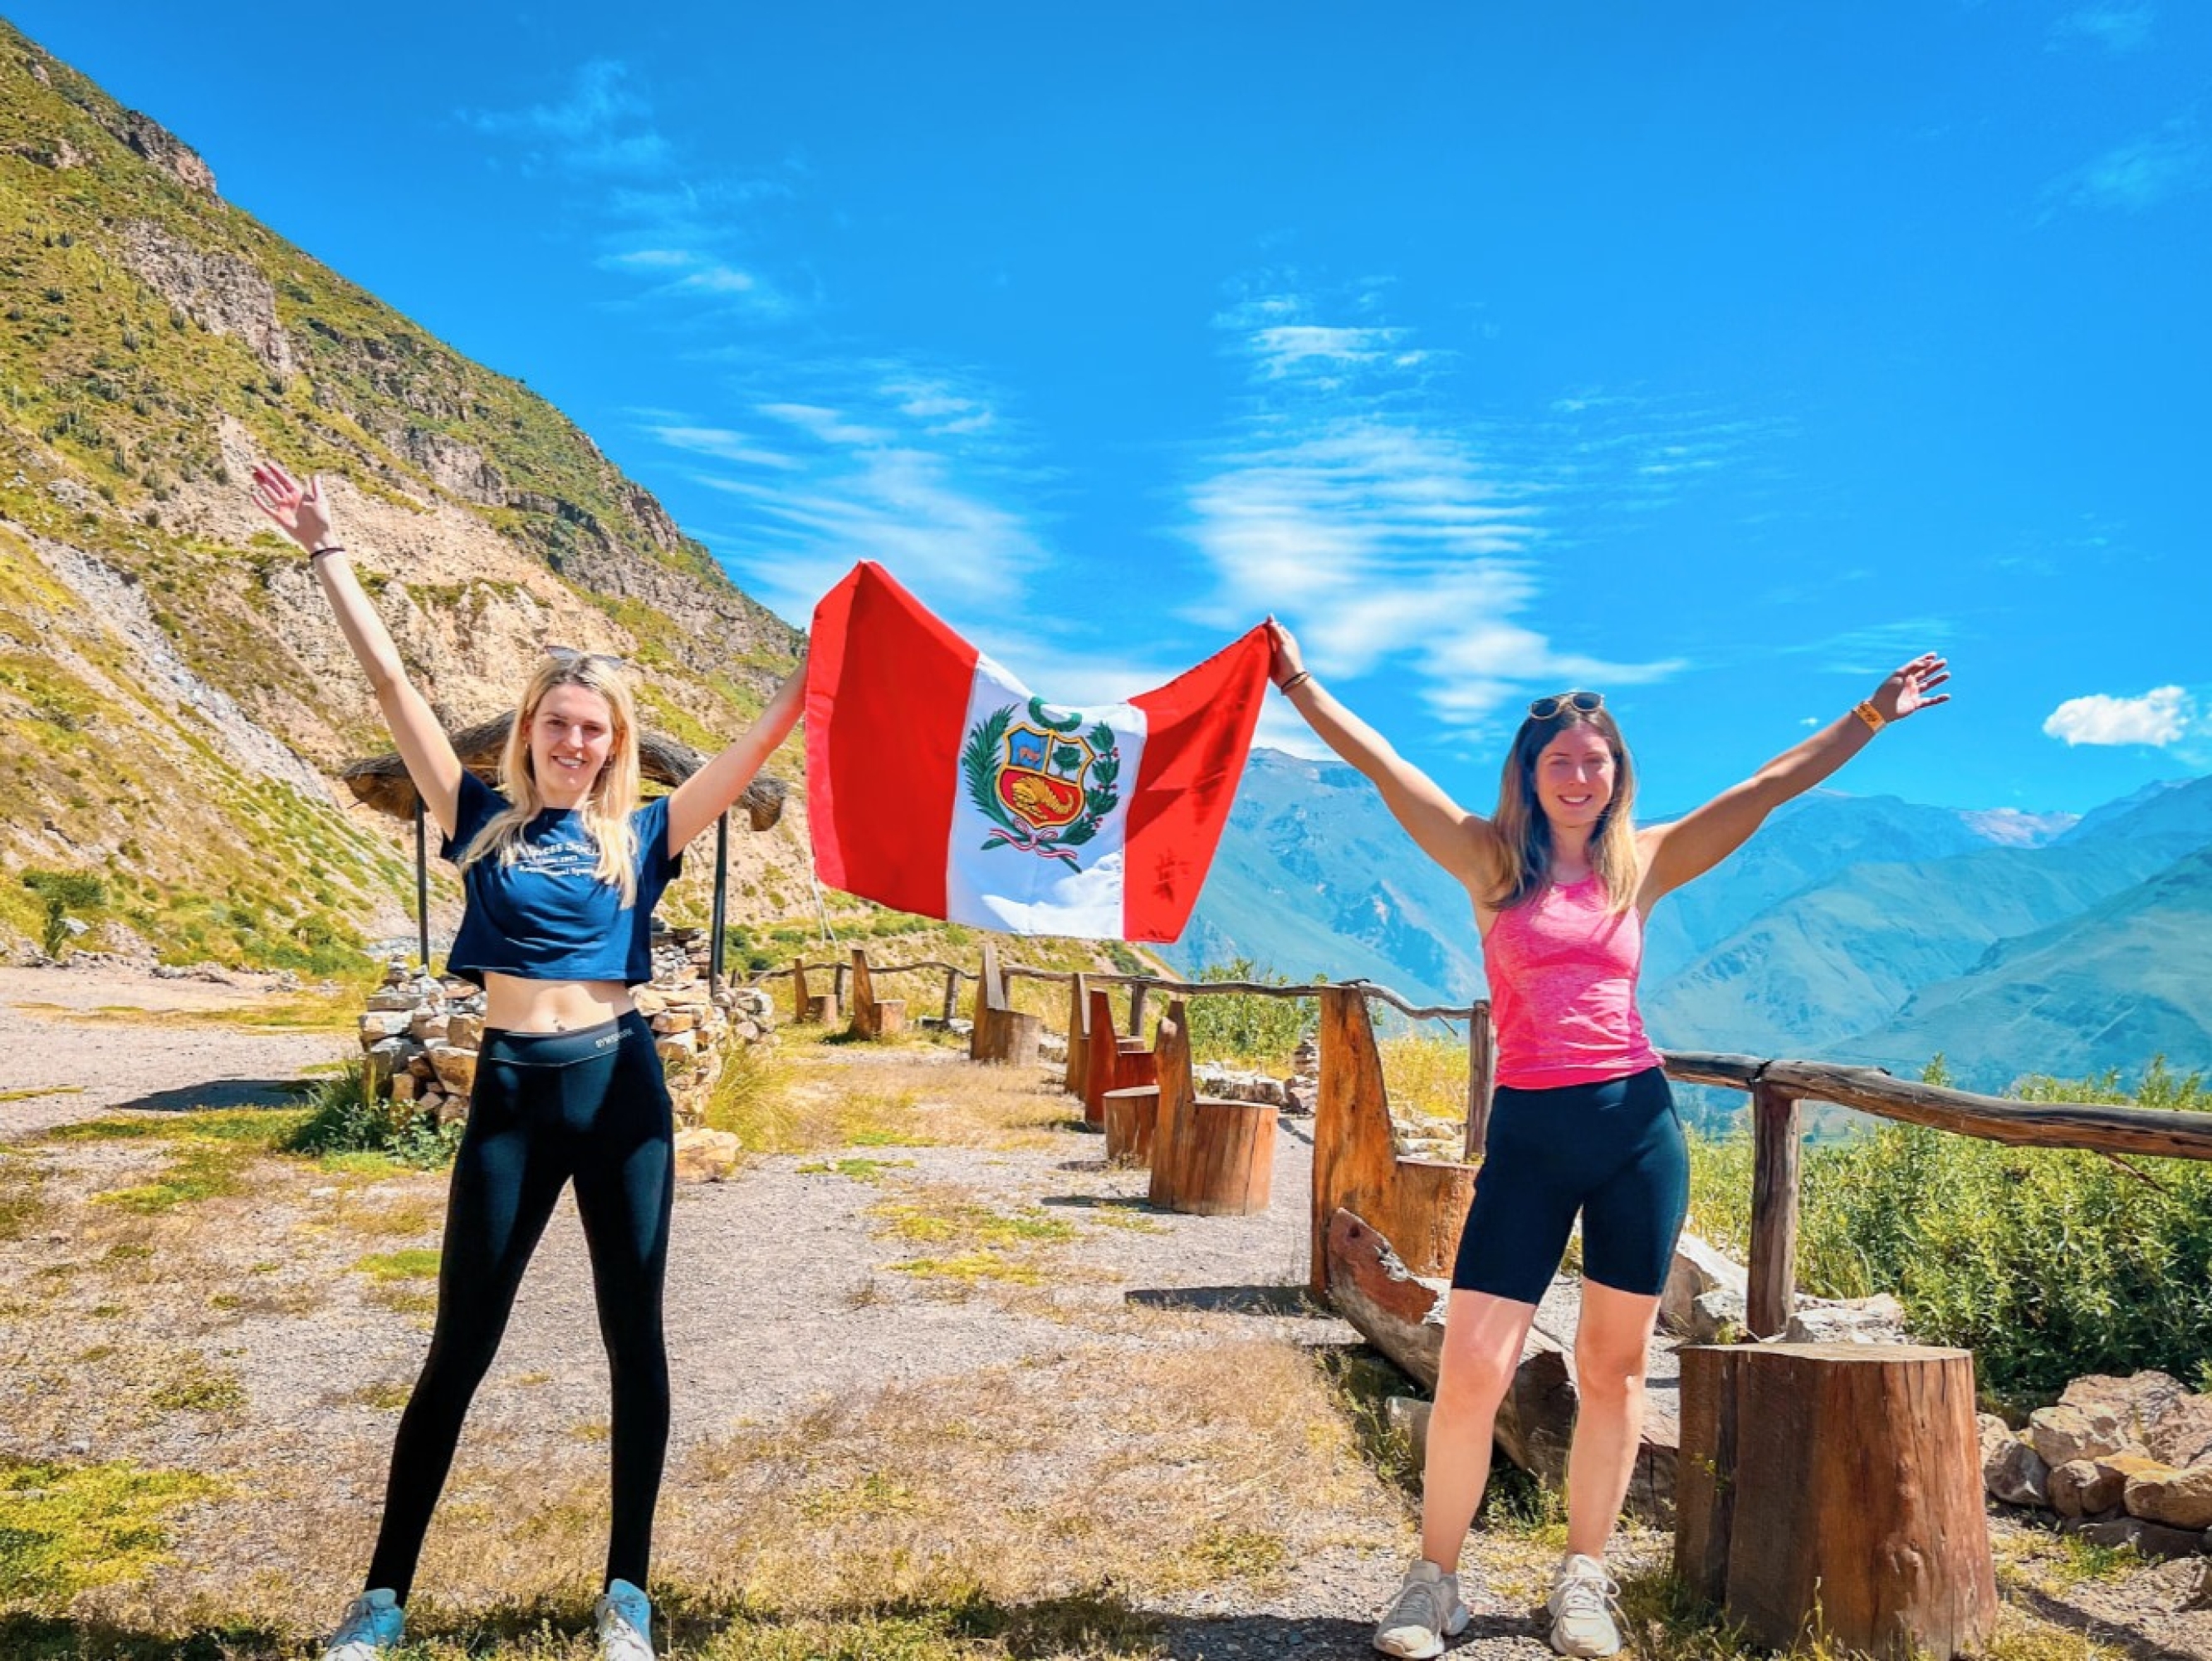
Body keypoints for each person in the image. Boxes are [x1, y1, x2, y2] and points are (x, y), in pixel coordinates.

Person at [1266, 621, 1949, 1660]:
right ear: (1530, 774)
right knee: (1474, 1364)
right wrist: (1302, 683)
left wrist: (1868, 716)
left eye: (1596, 760)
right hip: (1533, 1136)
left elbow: (1768, 787)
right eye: (1560, 761)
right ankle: (1433, 1582)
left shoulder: (1644, 862)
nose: (1579, 775)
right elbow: (1382, 763)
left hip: (1636, 1131)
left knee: (1616, 1366)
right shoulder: (1488, 860)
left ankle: (1581, 1581)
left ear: (1616, 772)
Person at [250, 462, 804, 1661]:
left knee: (632, 1337)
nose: (575, 740)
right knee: (460, 1345)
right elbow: (393, 686)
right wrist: (326, 549)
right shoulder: (476, 820)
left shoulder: (647, 833)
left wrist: (810, 681)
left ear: (614, 750)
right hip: (509, 1092)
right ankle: (383, 1598)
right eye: (558, 723)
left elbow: (751, 752)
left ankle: (628, 1597)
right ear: (528, 732)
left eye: (595, 730)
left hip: (621, 1092)